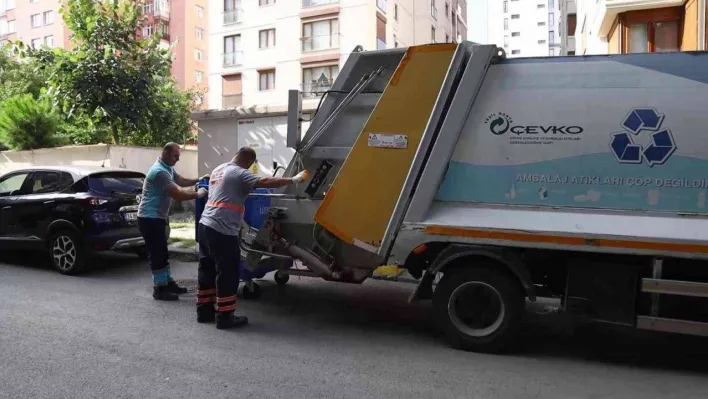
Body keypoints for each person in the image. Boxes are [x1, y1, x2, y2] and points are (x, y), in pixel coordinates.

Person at [197, 147, 308, 329]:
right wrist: (293, 179)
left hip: (205, 225)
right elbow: (265, 181)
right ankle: (225, 316)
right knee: (228, 273)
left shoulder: (219, 169)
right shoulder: (239, 173)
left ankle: (204, 311)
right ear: (249, 162)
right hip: (222, 230)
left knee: (207, 269)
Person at [138, 142, 209, 301]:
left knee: (162, 252)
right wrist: (198, 194)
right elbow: (177, 194)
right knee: (157, 254)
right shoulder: (159, 172)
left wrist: (199, 179)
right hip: (149, 218)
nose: (177, 159)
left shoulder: (167, 167)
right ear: (166, 153)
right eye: (176, 156)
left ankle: (168, 283)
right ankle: (159, 289)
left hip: (157, 217)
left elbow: (181, 180)